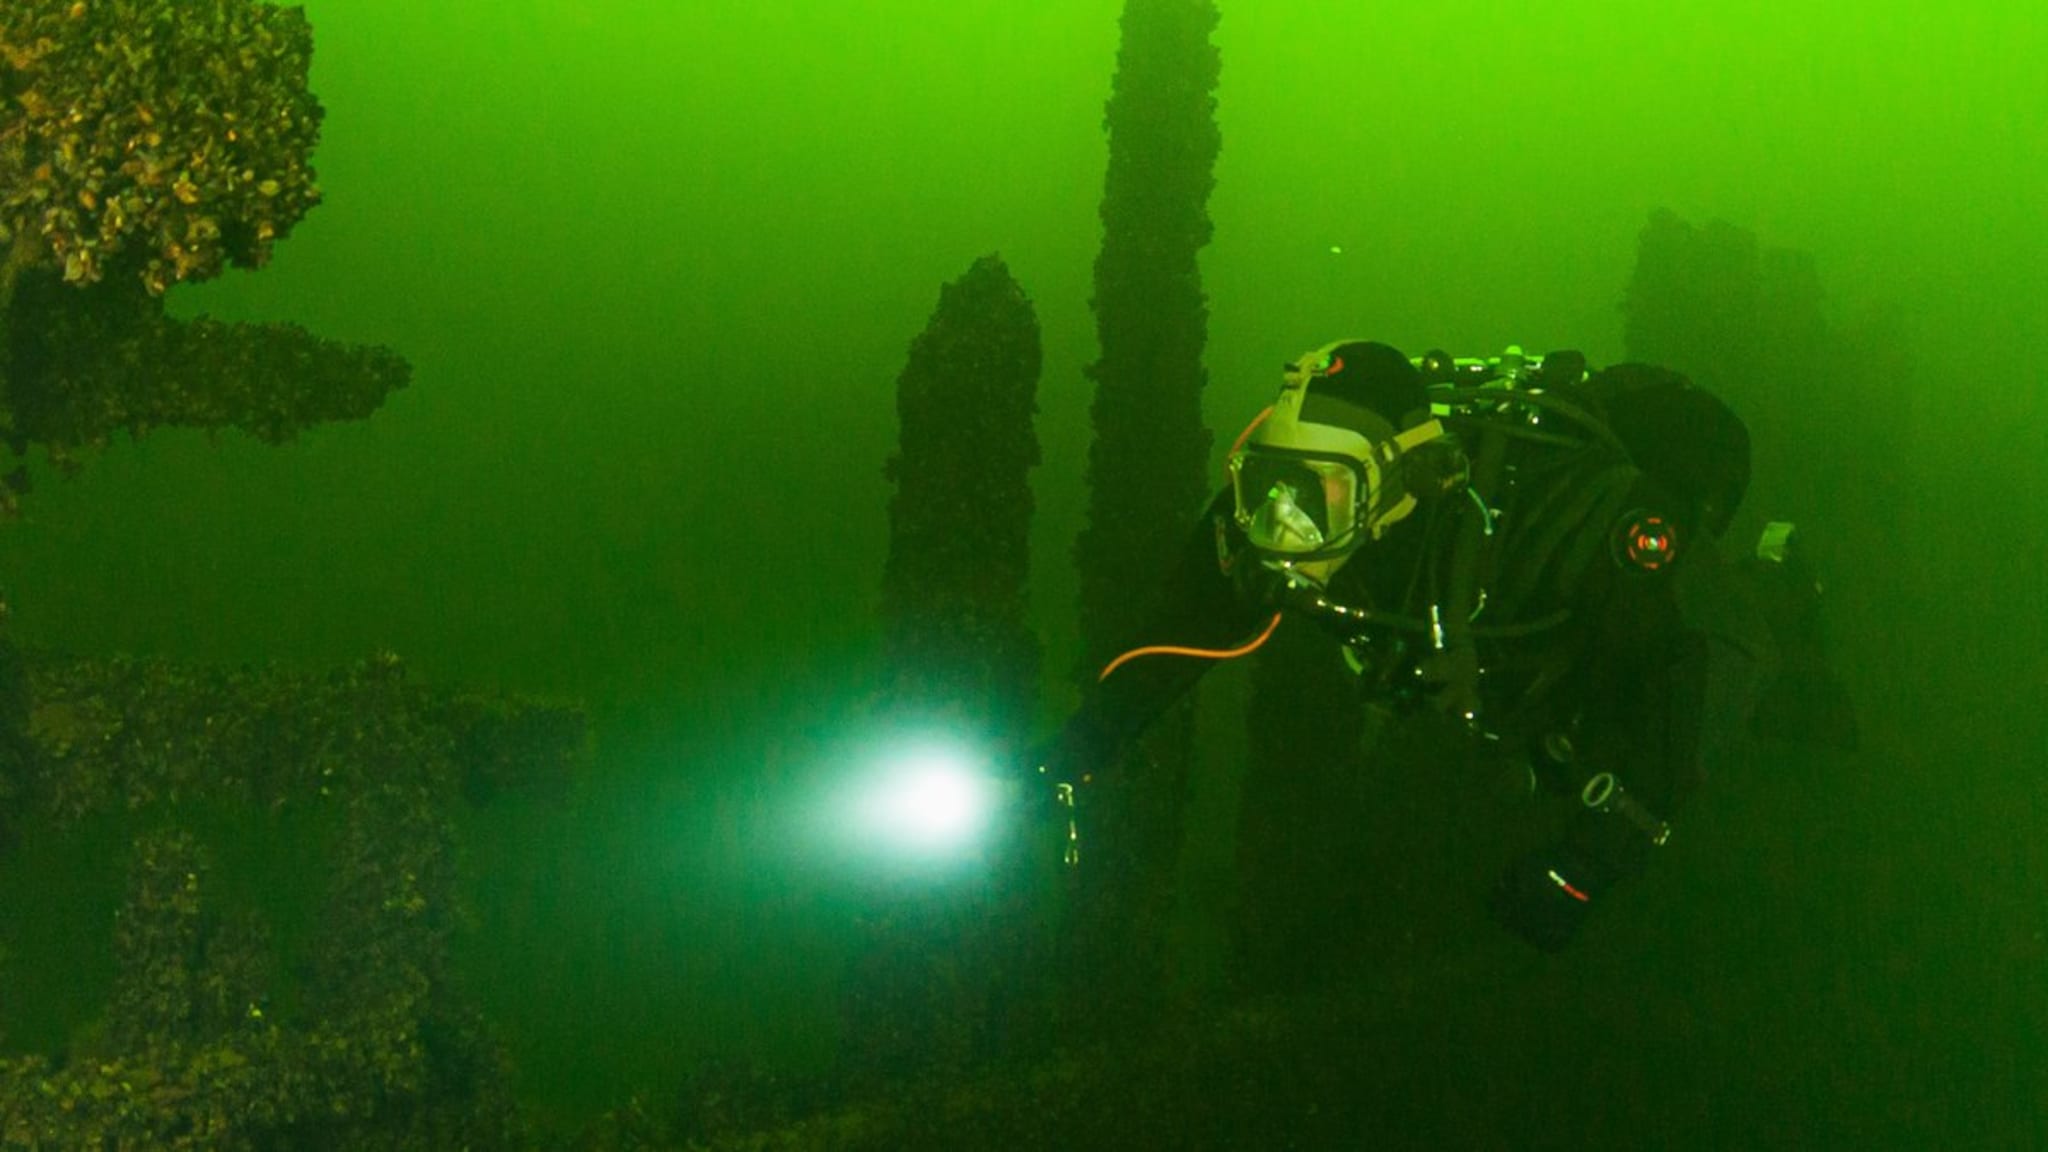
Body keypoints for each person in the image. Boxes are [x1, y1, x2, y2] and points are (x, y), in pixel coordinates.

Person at [1036, 339, 1777, 952]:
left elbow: (1721, 649)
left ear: (1402, 484)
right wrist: (1072, 756)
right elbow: (1181, 629)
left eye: (1314, 490)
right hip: (1481, 684)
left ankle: (1783, 571)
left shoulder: (1578, 517)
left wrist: (1588, 865)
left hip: (1596, 658)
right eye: (1268, 483)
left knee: (1640, 690)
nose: (1280, 524)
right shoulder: (1267, 522)